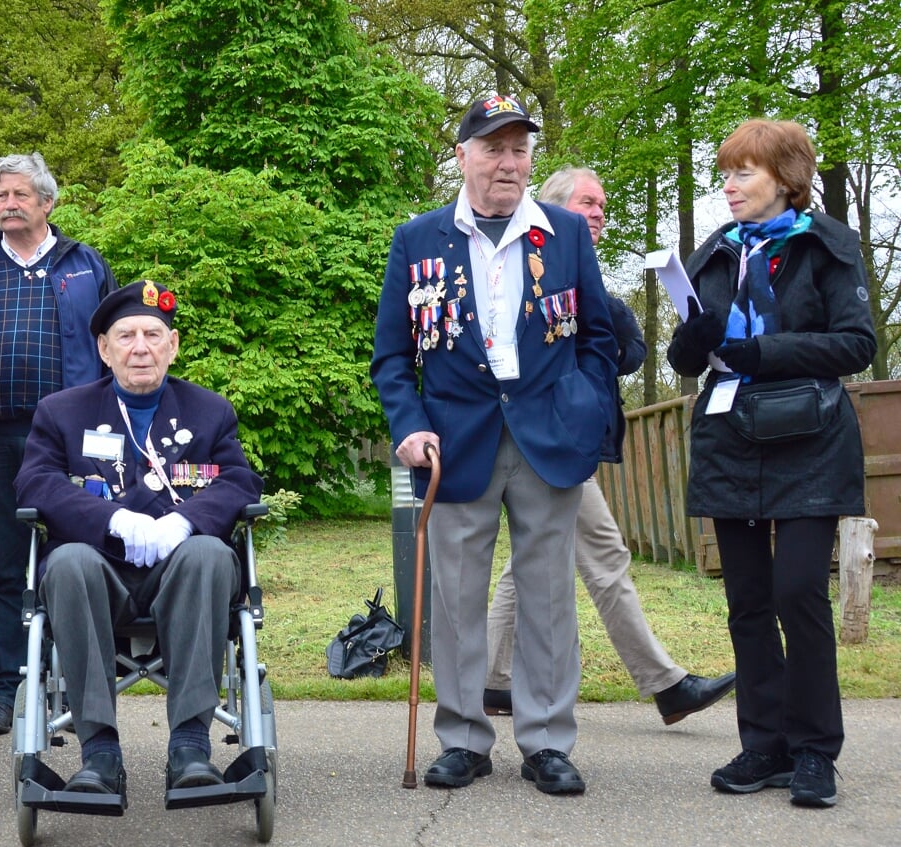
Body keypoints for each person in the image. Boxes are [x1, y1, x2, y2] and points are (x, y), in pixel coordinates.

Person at [371, 94, 616, 796]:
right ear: (462, 156)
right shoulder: (417, 238)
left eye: (518, 149)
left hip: (548, 438)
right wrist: (407, 425)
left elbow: (597, 338)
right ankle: (463, 738)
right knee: (453, 597)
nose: (508, 163)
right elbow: (391, 356)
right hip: (453, 442)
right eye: (493, 148)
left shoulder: (564, 233)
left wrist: (587, 403)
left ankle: (545, 740)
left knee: (545, 595)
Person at [666, 120, 875, 808]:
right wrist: (689, 345)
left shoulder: (825, 246)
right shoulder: (712, 254)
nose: (726, 186)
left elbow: (854, 344)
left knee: (796, 593)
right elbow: (684, 359)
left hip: (809, 440)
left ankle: (814, 750)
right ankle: (764, 744)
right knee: (748, 601)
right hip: (729, 441)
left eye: (742, 173)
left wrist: (764, 353)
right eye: (724, 173)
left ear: (784, 179)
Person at [483, 167, 737, 724]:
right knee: (606, 558)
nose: (599, 213)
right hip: (545, 440)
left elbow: (627, 348)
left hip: (560, 441)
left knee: (529, 563)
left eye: (602, 205)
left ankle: (494, 680)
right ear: (554, 210)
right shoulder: (536, 267)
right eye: (588, 203)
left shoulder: (578, 266)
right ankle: (665, 683)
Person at [15, 280, 264, 803]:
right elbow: (36, 483)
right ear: (104, 350)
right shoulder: (62, 412)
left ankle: (192, 749)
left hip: (181, 573)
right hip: (99, 572)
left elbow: (240, 482)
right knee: (68, 563)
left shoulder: (209, 411)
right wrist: (112, 520)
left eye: (153, 334)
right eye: (125, 336)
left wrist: (186, 521)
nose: (140, 347)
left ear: (172, 345)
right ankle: (100, 754)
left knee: (208, 554)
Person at [0, 152, 118, 736]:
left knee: (75, 559)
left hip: (76, 442)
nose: (7, 205)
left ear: (46, 203)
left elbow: (116, 349)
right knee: (4, 565)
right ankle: (3, 689)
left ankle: (67, 682)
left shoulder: (86, 265)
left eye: (19, 196)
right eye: (1, 196)